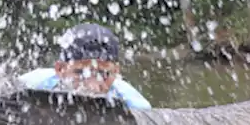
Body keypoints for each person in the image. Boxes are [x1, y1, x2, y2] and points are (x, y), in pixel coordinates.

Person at [18, 23, 152, 110]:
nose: (92, 86)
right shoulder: (31, 85)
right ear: (60, 69)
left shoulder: (134, 106)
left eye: (104, 74)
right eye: (81, 72)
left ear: (116, 72)